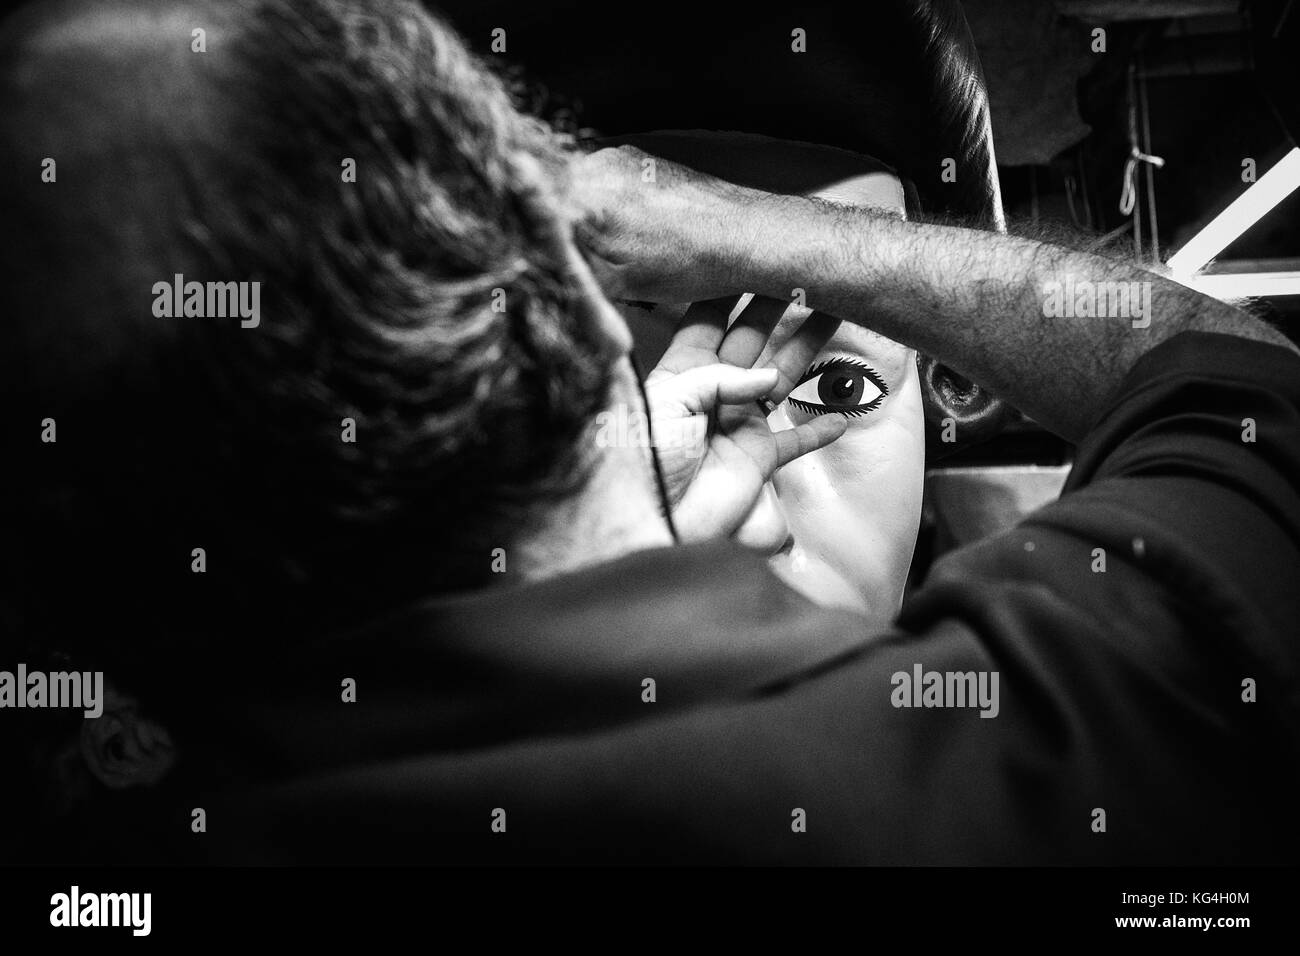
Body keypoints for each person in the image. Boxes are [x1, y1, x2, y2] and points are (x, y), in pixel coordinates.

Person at [3, 0, 1298, 865]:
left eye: (838, 387)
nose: (762, 514)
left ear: (943, 398)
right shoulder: (1083, 765)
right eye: (605, 384)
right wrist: (759, 234)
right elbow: (1242, 387)